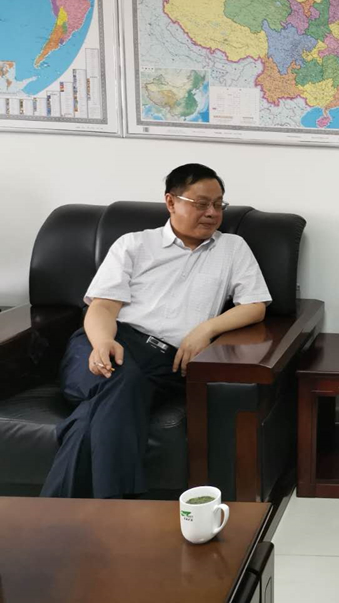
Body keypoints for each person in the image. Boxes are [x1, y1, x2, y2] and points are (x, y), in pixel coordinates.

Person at [40, 164, 272, 499]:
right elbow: (102, 307)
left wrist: (206, 329)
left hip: (167, 361)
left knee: (96, 411)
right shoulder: (134, 245)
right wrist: (103, 342)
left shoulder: (232, 248)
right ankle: (113, 507)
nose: (212, 213)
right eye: (201, 203)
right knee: (121, 380)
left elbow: (255, 306)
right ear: (171, 202)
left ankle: (61, 515)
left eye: (218, 204)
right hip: (109, 341)